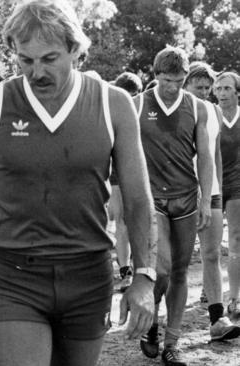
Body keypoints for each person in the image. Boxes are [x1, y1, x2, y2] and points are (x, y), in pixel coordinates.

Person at [0, 1, 156, 365]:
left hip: (87, 275)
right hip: (15, 276)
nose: (36, 72)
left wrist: (144, 276)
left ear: (76, 50)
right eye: (25, 60)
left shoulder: (114, 105)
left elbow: (138, 200)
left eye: (49, 58)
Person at [135, 46, 213, 366]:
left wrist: (206, 199)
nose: (174, 87)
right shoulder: (136, 105)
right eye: (168, 80)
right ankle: (151, 323)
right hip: (152, 198)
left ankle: (172, 342)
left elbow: (205, 157)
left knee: (180, 272)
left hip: (186, 198)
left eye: (180, 81)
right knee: (162, 269)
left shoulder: (197, 107)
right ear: (155, 76)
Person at [185, 64, 240, 341]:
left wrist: (213, 188)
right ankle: (155, 326)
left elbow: (215, 154)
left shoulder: (214, 111)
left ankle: (218, 319)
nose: (207, 93)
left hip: (213, 192)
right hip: (179, 192)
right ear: (186, 86)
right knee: (173, 263)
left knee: (211, 253)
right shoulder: (177, 111)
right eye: (201, 88)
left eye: (210, 88)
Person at [110, 71, 143, 292]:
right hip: (116, 173)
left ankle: (141, 267)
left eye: (135, 95)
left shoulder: (142, 110)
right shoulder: (110, 109)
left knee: (139, 220)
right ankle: (125, 269)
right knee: (121, 219)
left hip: (139, 172)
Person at [215, 71, 240, 321]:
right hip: (212, 184)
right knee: (210, 244)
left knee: (235, 238)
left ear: (237, 92)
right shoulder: (209, 114)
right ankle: (210, 291)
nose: (222, 93)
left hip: (237, 184)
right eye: (218, 88)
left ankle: (234, 298)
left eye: (227, 88)